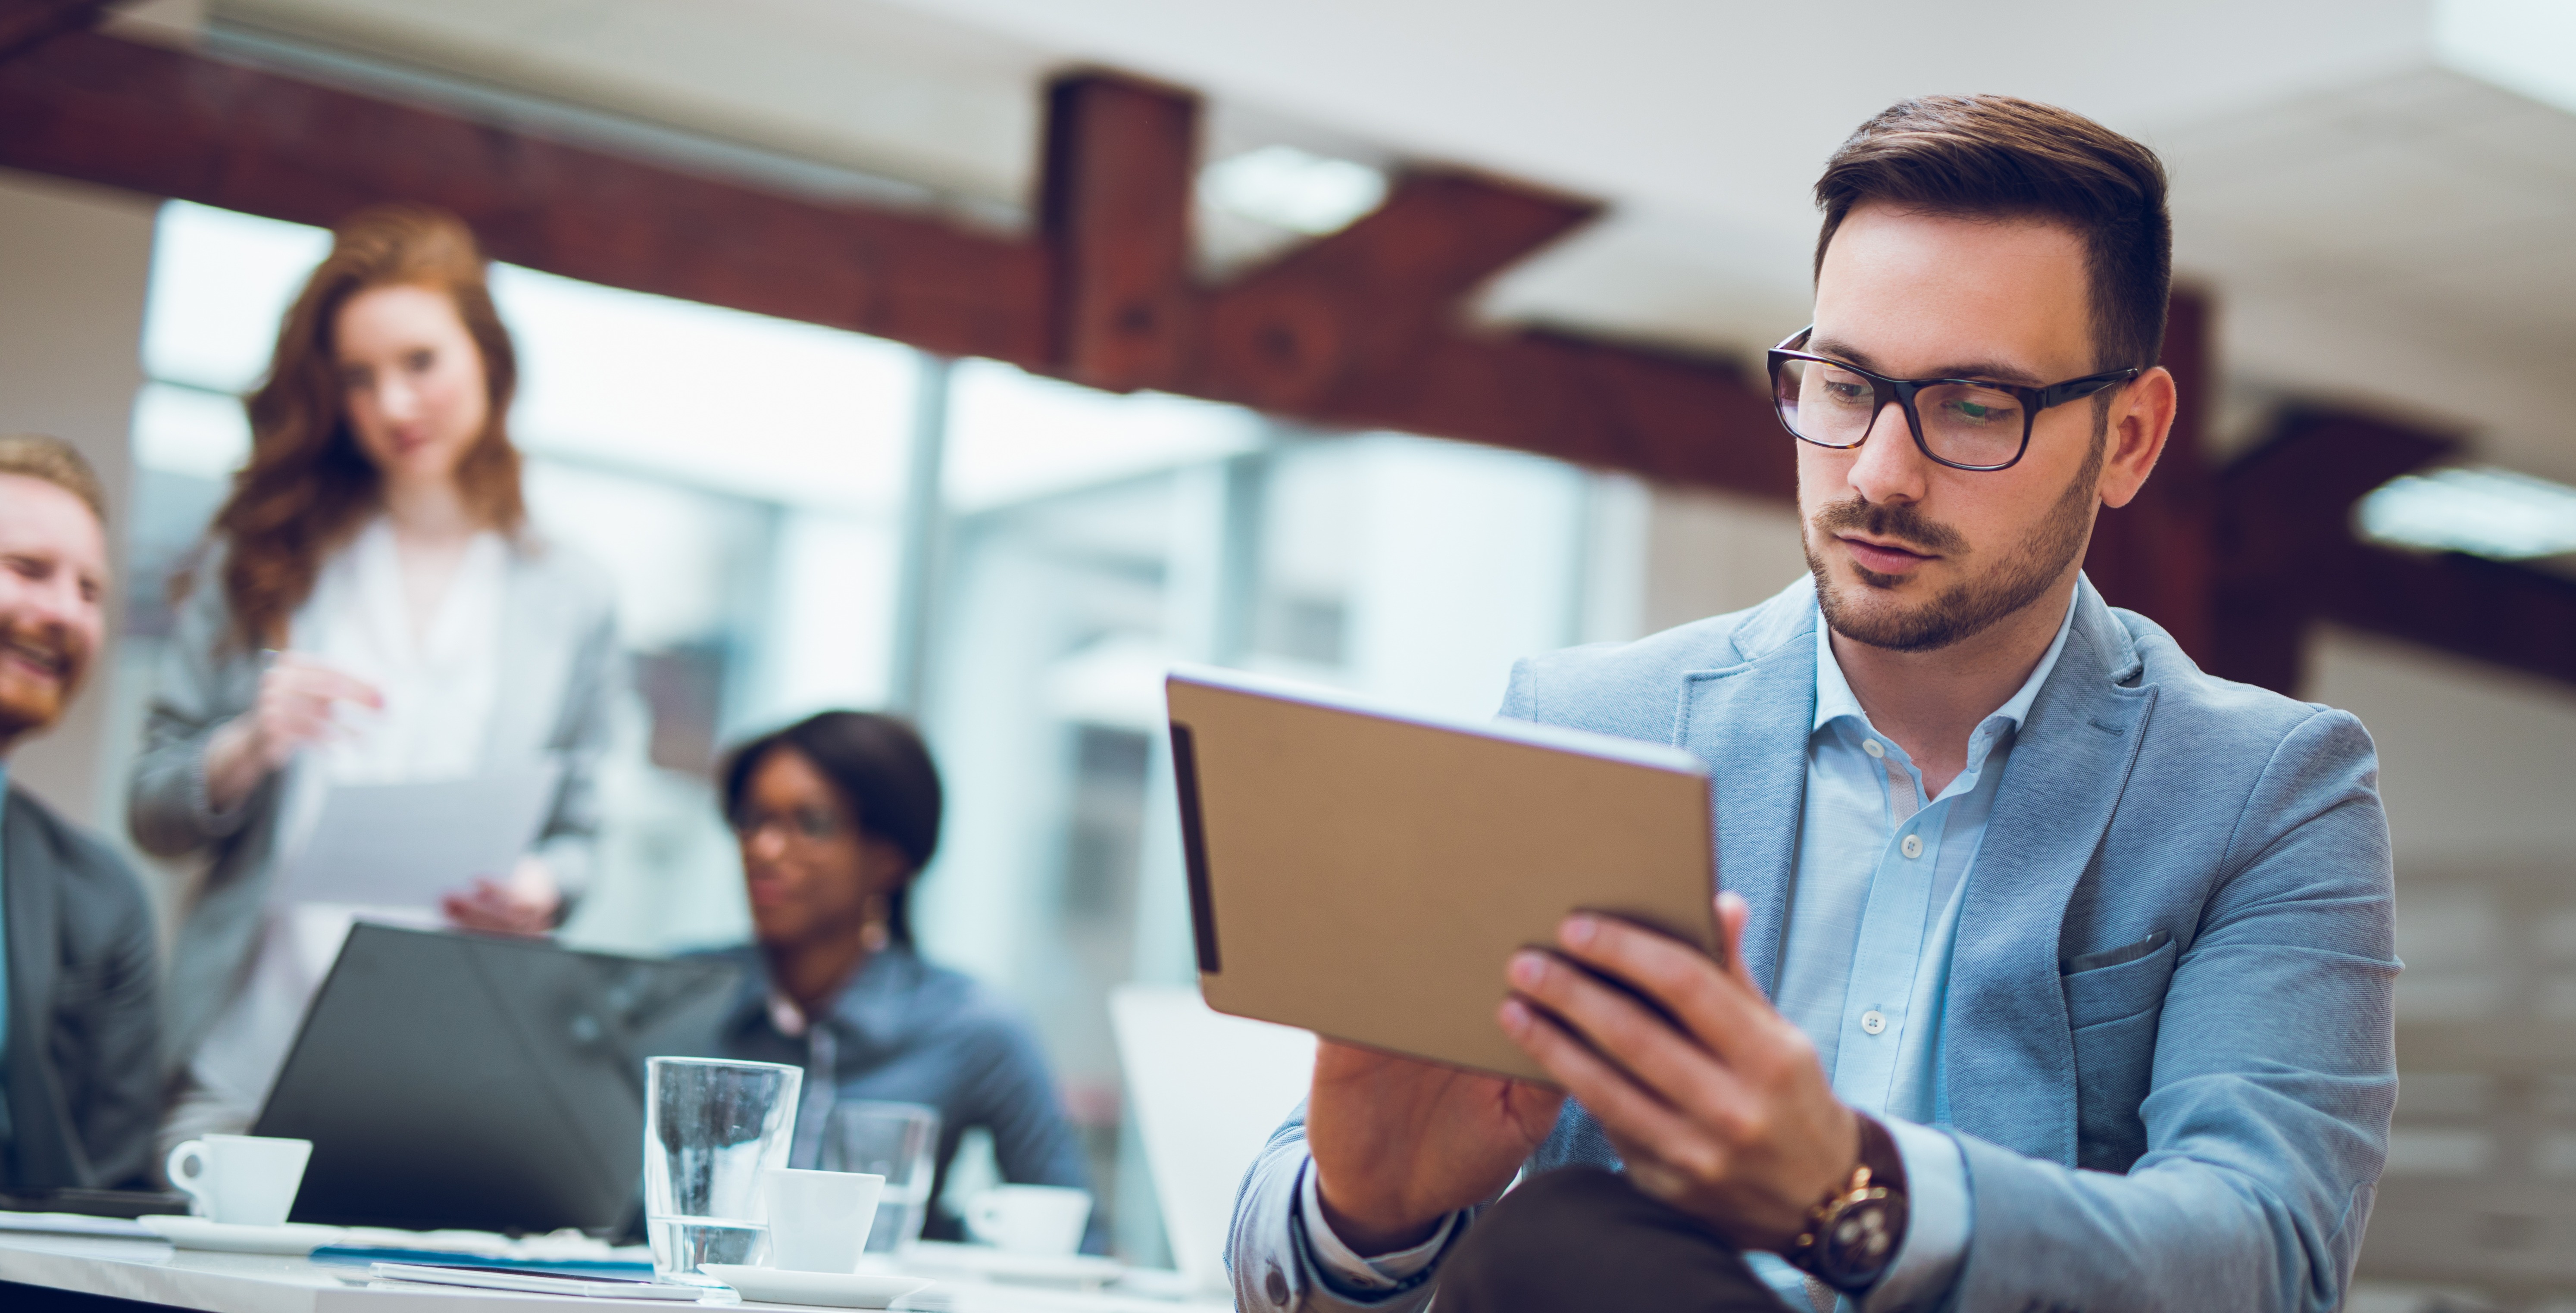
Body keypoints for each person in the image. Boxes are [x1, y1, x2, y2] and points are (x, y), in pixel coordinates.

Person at [1229, 95, 2395, 1313]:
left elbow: (2269, 1250)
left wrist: (1853, 1188)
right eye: (1844, 384)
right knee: (1566, 1244)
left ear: (2130, 438)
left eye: (1976, 406)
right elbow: (1300, 1241)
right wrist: (1369, 1213)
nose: (1881, 472)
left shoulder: (2267, 787)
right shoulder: (1588, 718)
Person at [130, 205, 621, 1148]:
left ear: (488, 358)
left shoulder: (572, 596)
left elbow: (582, 832)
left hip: (445, 1073)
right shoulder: (265, 559)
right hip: (244, 1059)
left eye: (421, 362)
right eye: (360, 378)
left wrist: (540, 884)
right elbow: (152, 806)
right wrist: (247, 744)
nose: (395, 405)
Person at [699, 711, 1098, 1247]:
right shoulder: (681, 997)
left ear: (888, 859)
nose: (765, 849)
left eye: (811, 823)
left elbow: (1075, 1237)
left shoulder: (969, 1025)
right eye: (753, 818)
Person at [0, 434, 162, 1192]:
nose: (63, 610)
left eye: (91, 591)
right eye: (29, 570)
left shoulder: (100, 895)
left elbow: (115, 1186)